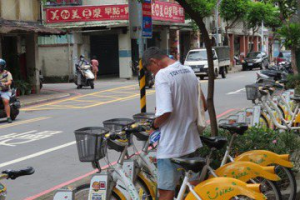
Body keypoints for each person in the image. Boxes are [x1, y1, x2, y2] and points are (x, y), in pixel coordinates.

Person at [142, 47, 207, 200]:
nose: (152, 73)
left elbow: (165, 112)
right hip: (191, 141)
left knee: (166, 192)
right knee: (194, 189)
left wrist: (154, 126)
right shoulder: (188, 70)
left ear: (154, 61)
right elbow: (203, 105)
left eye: (150, 69)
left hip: (171, 145)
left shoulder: (163, 75)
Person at [0, 59, 13, 123]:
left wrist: (4, 84)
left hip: (4, 90)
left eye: (0, 66)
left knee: (5, 101)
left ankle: (8, 117)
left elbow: (10, 82)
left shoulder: (7, 73)